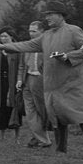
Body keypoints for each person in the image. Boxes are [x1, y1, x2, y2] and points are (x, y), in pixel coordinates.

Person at [0, 2, 83, 158]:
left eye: (50, 14)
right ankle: (61, 152)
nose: (47, 18)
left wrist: (67, 56)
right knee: (58, 118)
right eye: (46, 14)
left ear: (61, 15)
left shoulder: (73, 30)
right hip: (54, 87)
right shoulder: (47, 36)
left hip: (76, 86)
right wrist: (4, 47)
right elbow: (27, 45)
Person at [17, 20, 52, 148]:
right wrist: (20, 80)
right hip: (28, 79)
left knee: (41, 110)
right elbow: (21, 65)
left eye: (34, 31)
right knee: (30, 111)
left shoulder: (48, 45)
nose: (31, 34)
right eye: (30, 31)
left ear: (42, 31)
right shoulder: (28, 45)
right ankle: (40, 138)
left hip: (41, 80)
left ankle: (40, 138)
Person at [0, 27, 23, 141]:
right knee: (1, 108)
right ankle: (1, 136)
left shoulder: (17, 50)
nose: (3, 39)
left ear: (11, 37)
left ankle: (16, 136)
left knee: (14, 108)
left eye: (5, 36)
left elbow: (21, 67)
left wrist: (20, 82)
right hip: (0, 83)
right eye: (1, 36)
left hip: (13, 83)